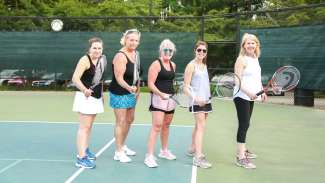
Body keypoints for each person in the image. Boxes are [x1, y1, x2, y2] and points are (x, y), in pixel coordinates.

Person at [72, 37, 107, 169]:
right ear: (89, 49)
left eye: (99, 48)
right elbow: (75, 78)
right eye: (94, 48)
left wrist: (102, 95)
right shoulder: (84, 60)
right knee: (83, 128)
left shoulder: (102, 59)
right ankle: (81, 158)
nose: (97, 50)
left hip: (96, 97)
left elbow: (100, 80)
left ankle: (85, 149)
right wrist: (84, 90)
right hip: (84, 97)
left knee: (89, 126)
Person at [233, 33, 267, 169]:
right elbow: (237, 80)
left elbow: (257, 78)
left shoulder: (255, 58)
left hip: (252, 95)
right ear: (244, 45)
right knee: (244, 123)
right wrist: (249, 93)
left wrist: (262, 90)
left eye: (253, 43)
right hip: (241, 96)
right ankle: (240, 157)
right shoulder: (241, 59)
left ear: (256, 45)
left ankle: (243, 150)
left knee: (246, 124)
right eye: (248, 43)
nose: (251, 45)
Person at [108, 29, 141, 163]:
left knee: (130, 119)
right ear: (125, 40)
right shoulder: (120, 56)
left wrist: (137, 90)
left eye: (136, 40)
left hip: (132, 92)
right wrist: (129, 88)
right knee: (120, 121)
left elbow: (137, 74)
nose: (133, 42)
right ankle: (118, 152)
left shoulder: (136, 54)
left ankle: (122, 145)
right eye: (131, 40)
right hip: (119, 92)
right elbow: (119, 78)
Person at [144, 39, 177, 168]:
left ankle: (164, 151)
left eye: (170, 50)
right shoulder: (156, 64)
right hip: (158, 99)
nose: (168, 52)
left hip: (170, 99)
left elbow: (170, 81)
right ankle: (149, 156)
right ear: (161, 50)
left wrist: (171, 95)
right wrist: (161, 94)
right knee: (157, 126)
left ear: (173, 52)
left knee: (166, 125)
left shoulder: (173, 65)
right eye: (165, 49)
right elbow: (150, 84)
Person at [183, 41, 212, 169]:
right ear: (195, 50)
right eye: (199, 50)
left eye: (204, 51)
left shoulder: (204, 65)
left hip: (206, 100)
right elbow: (185, 87)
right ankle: (198, 157)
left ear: (206, 53)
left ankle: (192, 148)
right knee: (201, 126)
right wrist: (196, 98)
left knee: (198, 126)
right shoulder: (191, 66)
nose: (201, 52)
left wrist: (206, 97)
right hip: (196, 101)